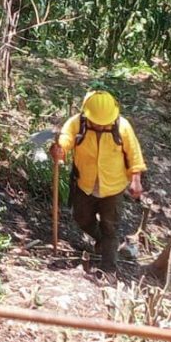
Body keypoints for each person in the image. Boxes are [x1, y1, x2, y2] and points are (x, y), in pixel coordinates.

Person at [49, 90, 146, 271]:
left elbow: (134, 155)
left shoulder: (122, 127)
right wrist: (59, 150)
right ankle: (103, 241)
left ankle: (109, 269)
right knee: (81, 218)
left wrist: (136, 180)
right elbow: (65, 140)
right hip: (85, 184)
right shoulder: (77, 123)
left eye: (104, 123)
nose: (101, 126)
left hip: (113, 187)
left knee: (110, 227)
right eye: (97, 123)